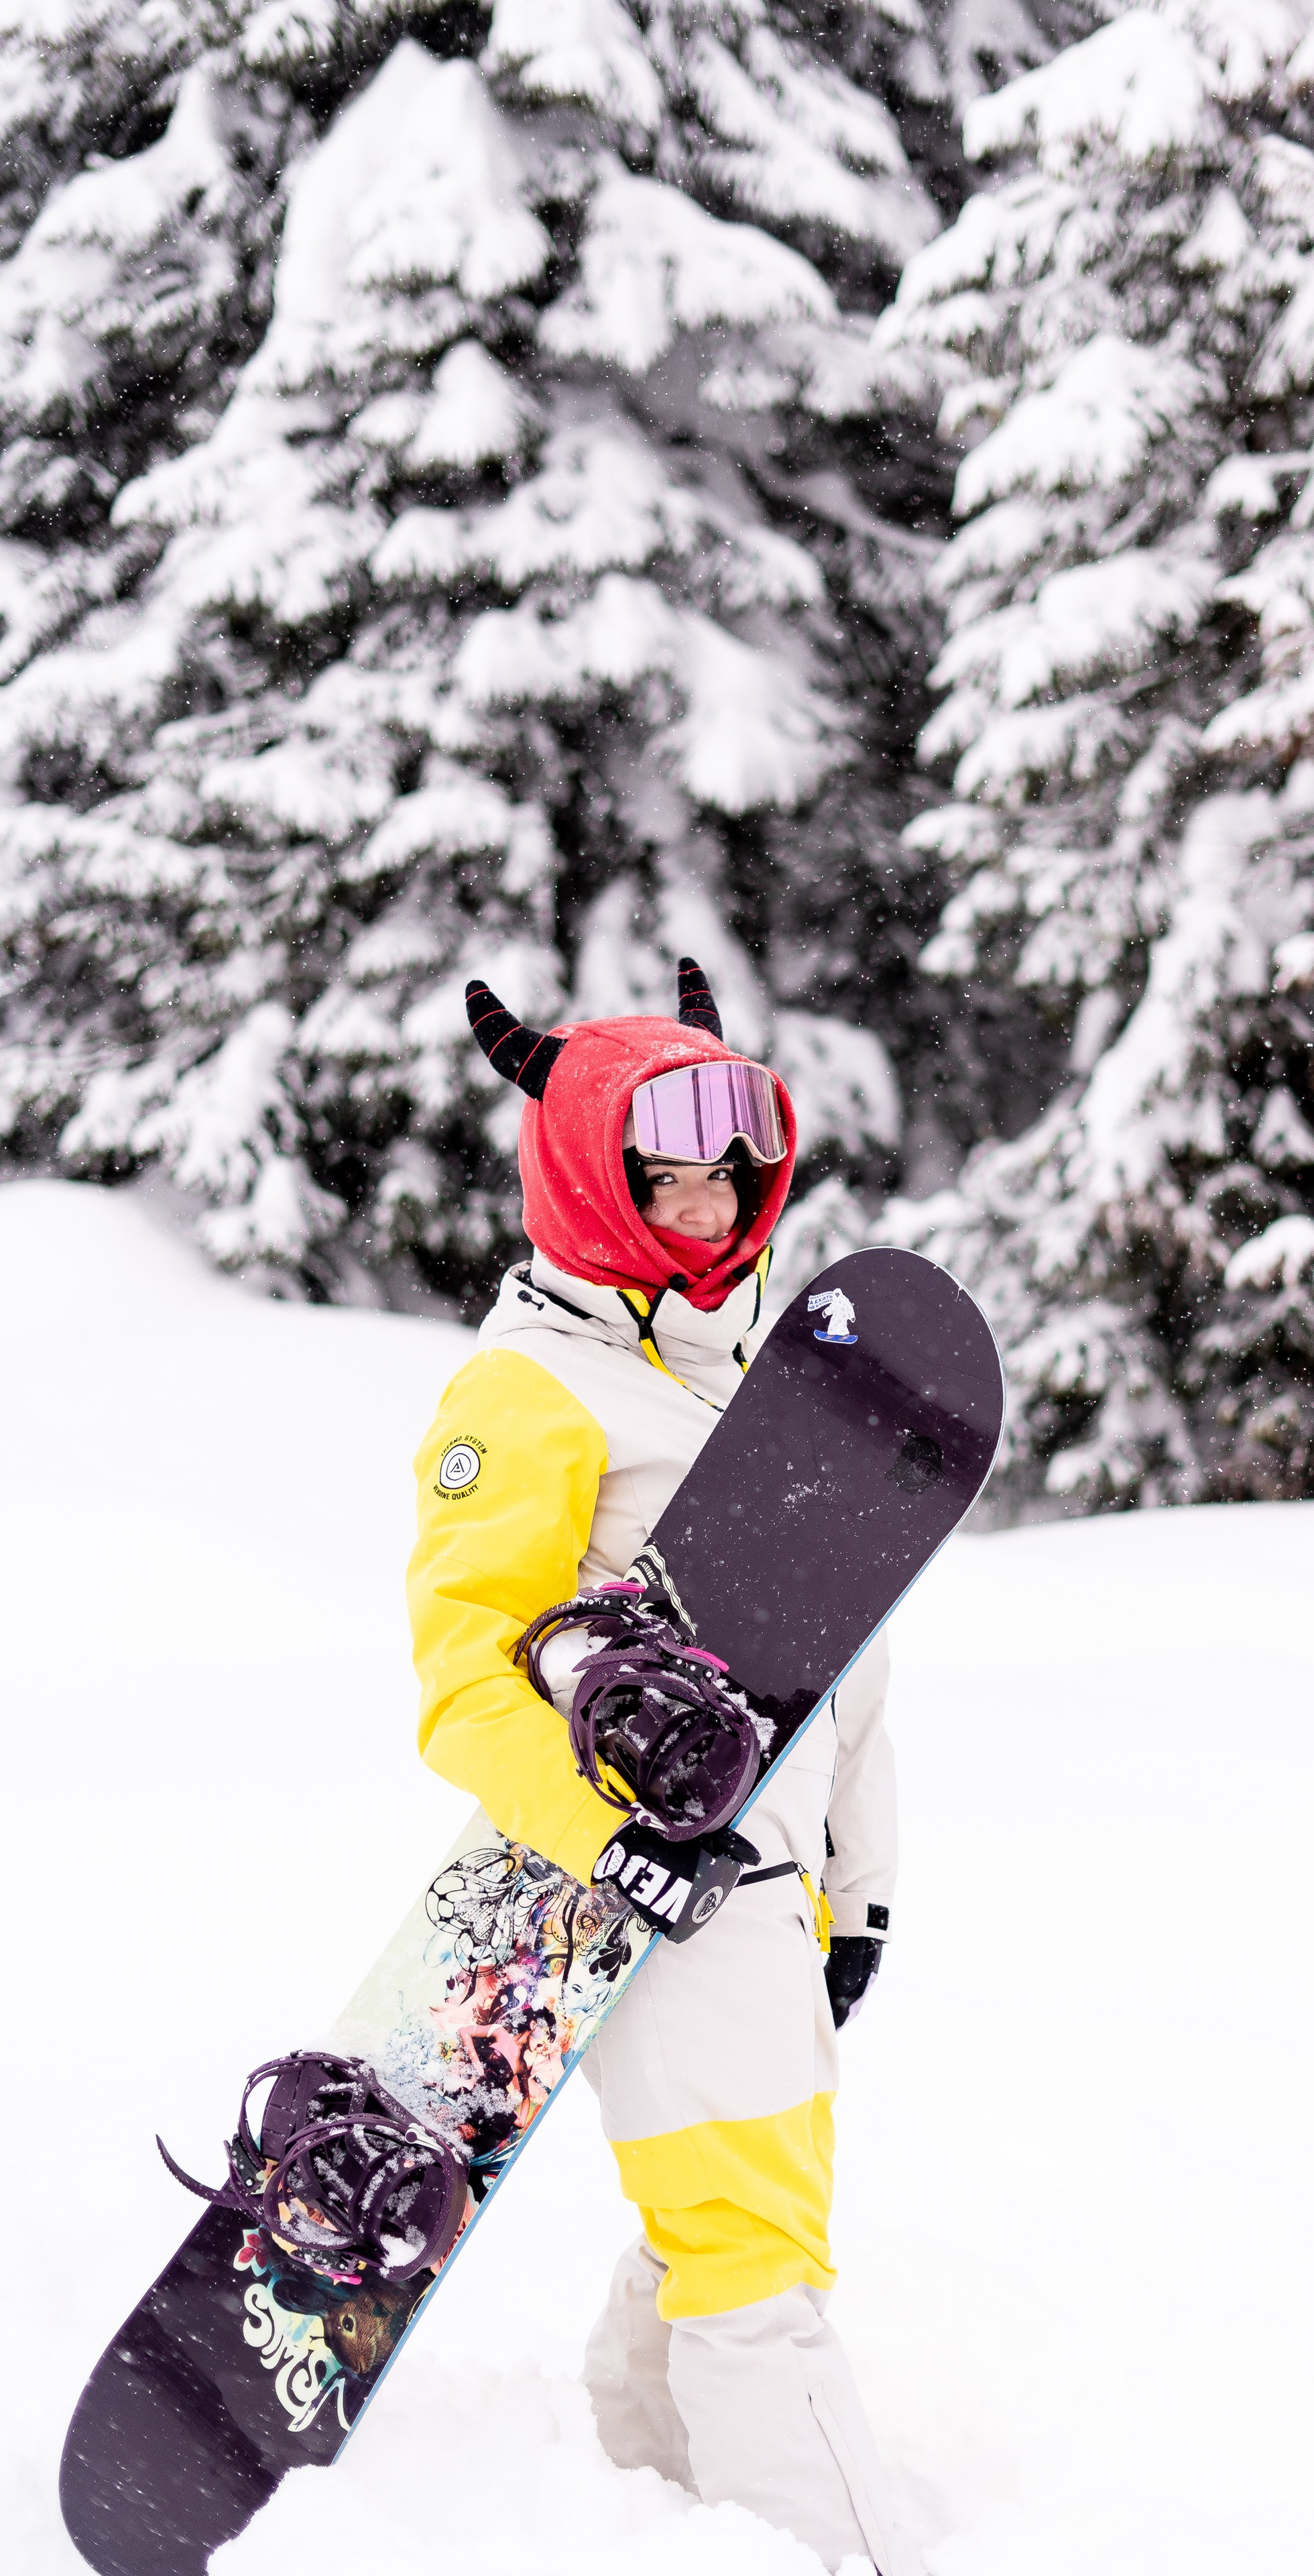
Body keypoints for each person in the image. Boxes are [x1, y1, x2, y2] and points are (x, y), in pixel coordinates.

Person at [406, 961, 916, 2574]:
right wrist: (611, 1847)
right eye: (664, 1175)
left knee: (736, 2219)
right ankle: (833, 2549)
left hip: (771, 1891)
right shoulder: (531, 1387)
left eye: (726, 1174)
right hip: (647, 1894)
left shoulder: (752, 1376)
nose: (703, 1206)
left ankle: (643, 2485)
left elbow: (845, 1673)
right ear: (585, 1178)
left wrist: (862, 1883)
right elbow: (463, 1684)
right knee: (757, 2267)